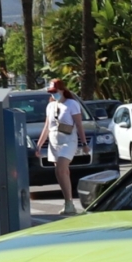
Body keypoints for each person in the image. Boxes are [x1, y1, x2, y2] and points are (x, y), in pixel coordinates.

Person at [41, 77, 84, 213]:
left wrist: (84, 143)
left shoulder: (72, 104)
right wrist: (39, 144)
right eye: (51, 92)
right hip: (54, 142)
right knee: (61, 172)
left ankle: (69, 203)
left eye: (55, 91)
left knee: (61, 168)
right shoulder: (50, 106)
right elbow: (47, 126)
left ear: (62, 89)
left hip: (68, 141)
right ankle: (68, 202)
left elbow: (79, 124)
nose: (54, 94)